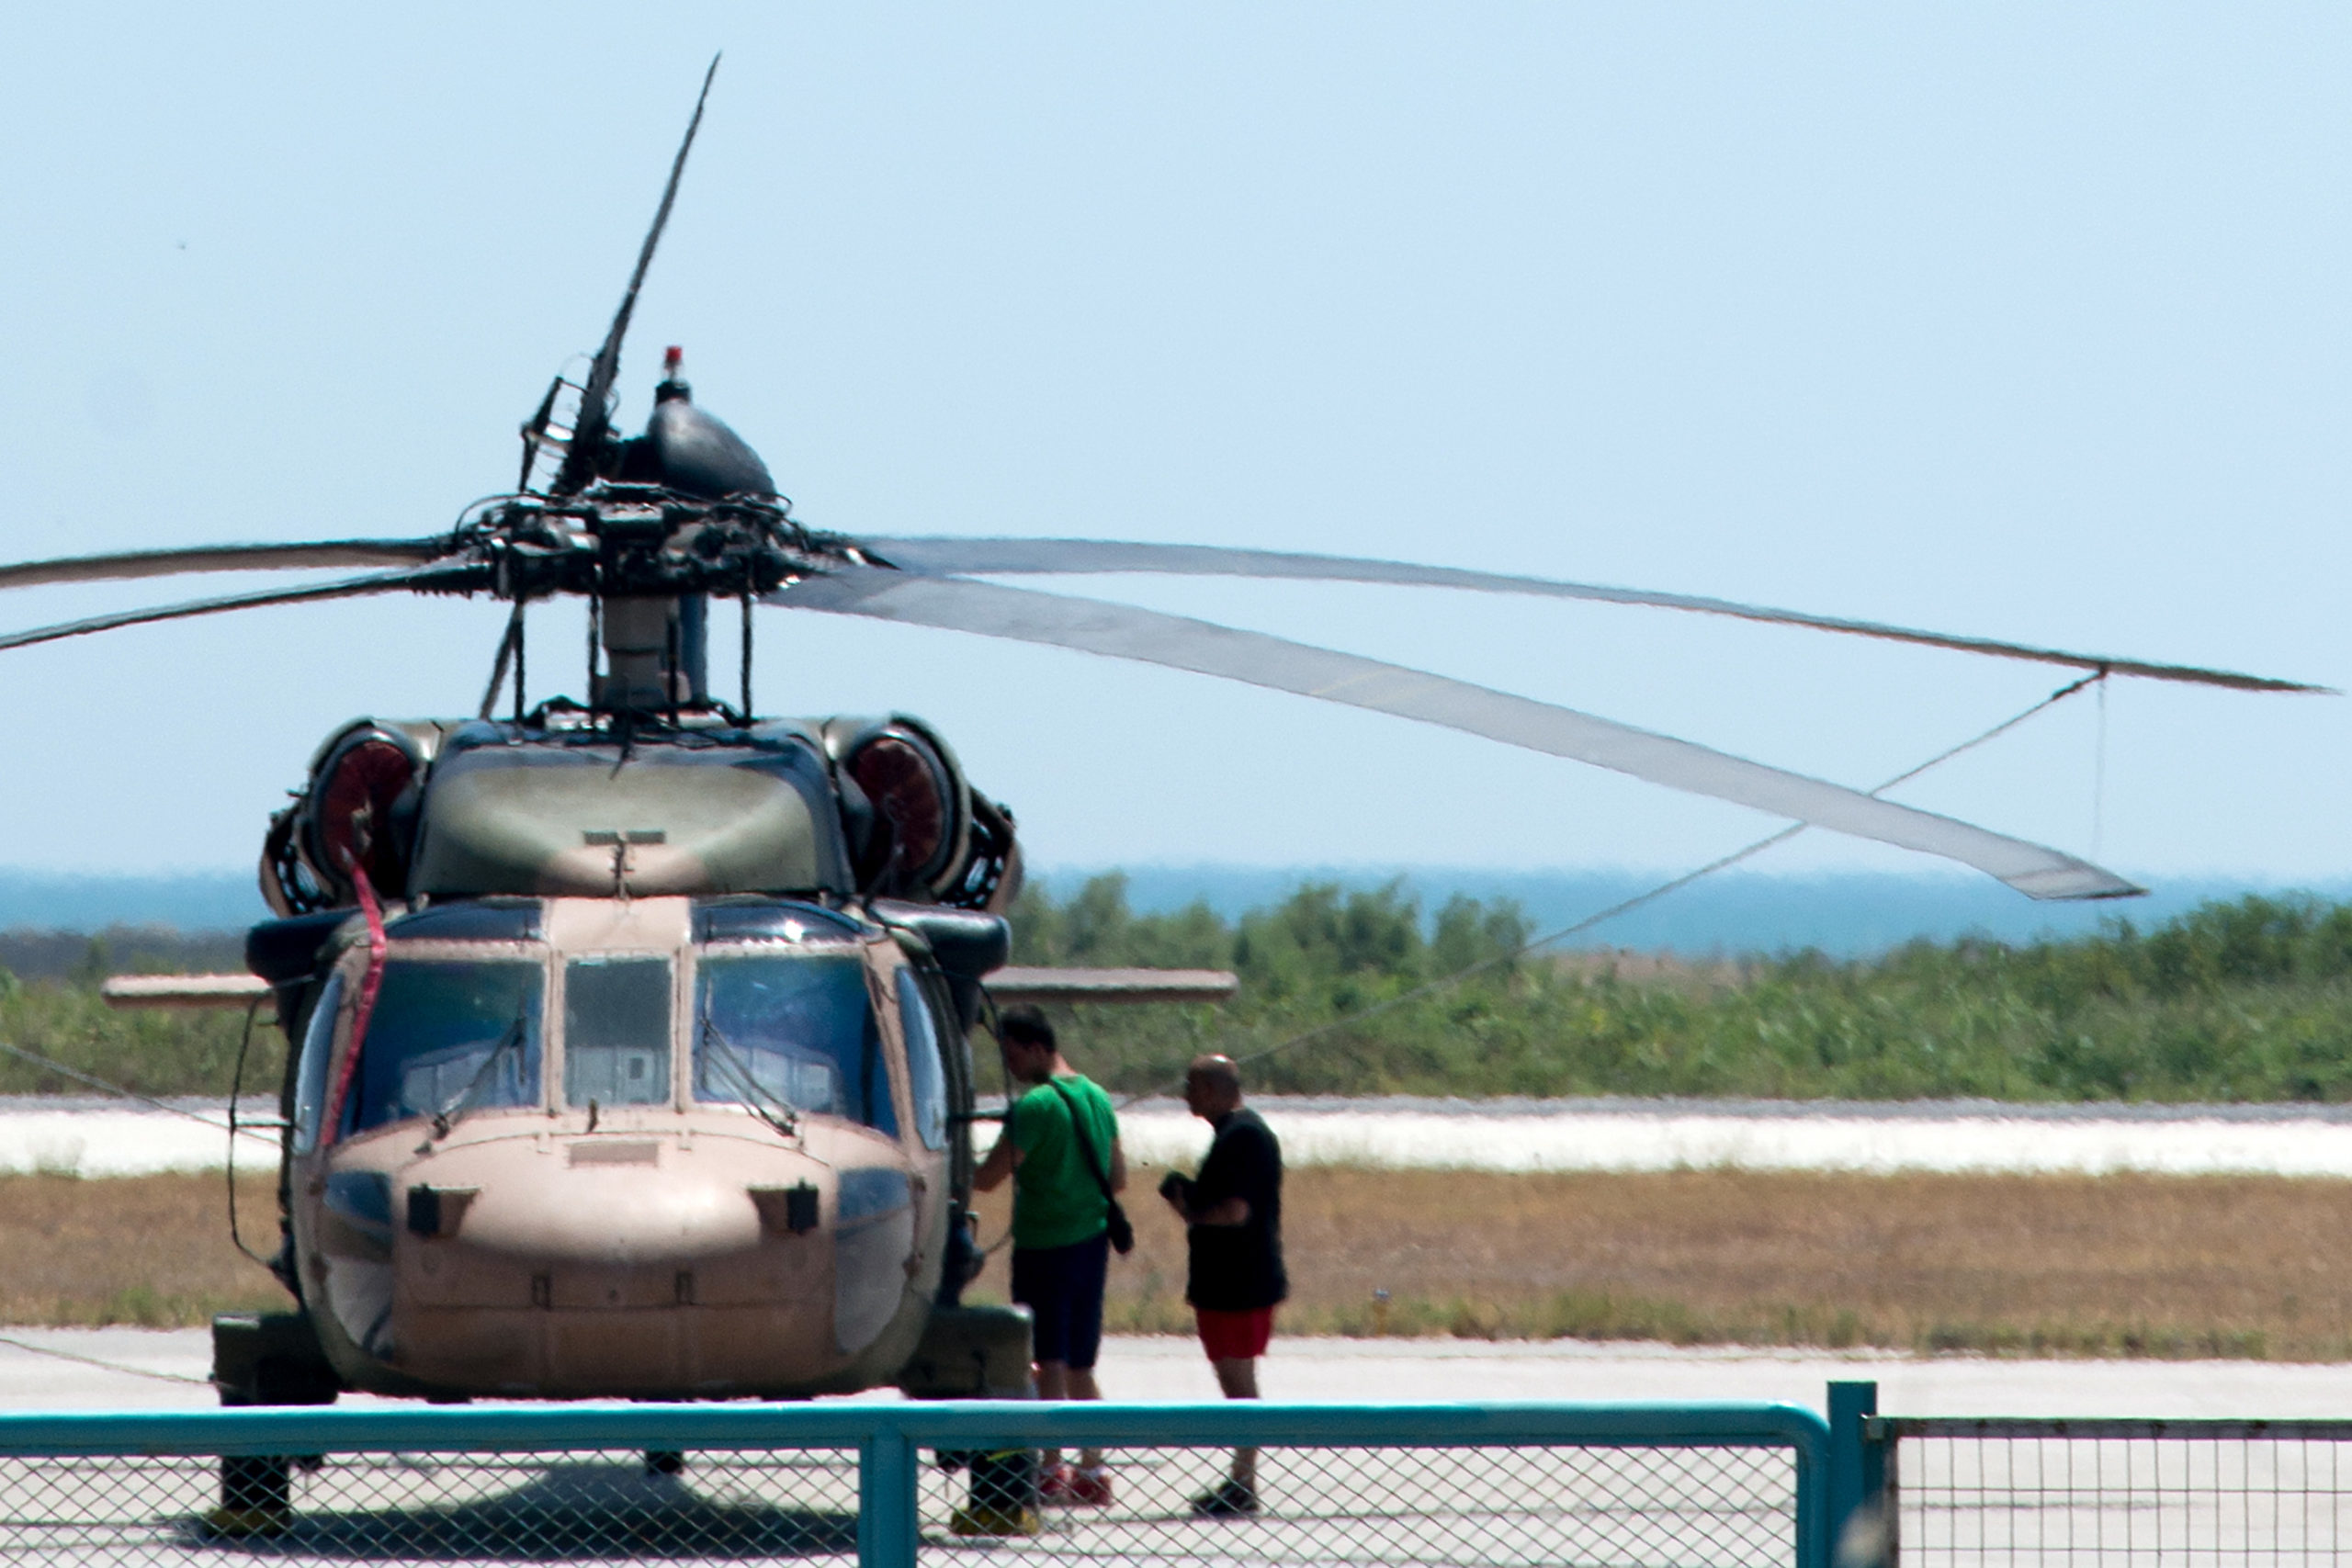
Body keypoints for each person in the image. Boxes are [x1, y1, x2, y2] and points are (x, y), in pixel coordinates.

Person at [974, 1007, 1125, 1508]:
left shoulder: (1035, 1106)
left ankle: (1051, 1466)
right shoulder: (1098, 1097)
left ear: (1037, 1047)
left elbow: (989, 1177)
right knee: (1082, 1362)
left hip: (1045, 1247)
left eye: (1012, 1053)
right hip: (1092, 1243)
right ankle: (1094, 1466)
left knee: (1047, 1362)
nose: (1009, 1065)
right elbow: (1118, 1176)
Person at [1159, 1053, 1286, 1518]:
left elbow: (1236, 1210)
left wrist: (1190, 1210)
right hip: (1230, 1280)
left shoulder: (1243, 1137)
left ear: (1214, 1089)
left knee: (1239, 1385)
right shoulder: (1235, 1135)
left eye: (1192, 1086)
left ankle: (1244, 1481)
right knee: (1235, 1382)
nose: (1186, 1095)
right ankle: (1241, 1477)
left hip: (1238, 1282)